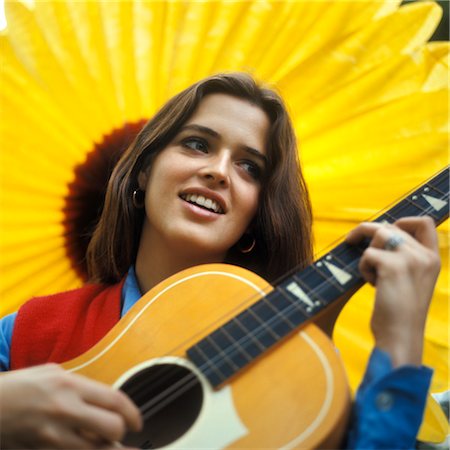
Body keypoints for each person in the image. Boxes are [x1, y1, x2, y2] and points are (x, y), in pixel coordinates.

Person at [0, 73, 440, 449]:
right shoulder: (26, 334)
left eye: (250, 167)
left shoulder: (304, 394)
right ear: (143, 170)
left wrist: (399, 342)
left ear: (255, 215)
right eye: (196, 144)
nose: (220, 171)